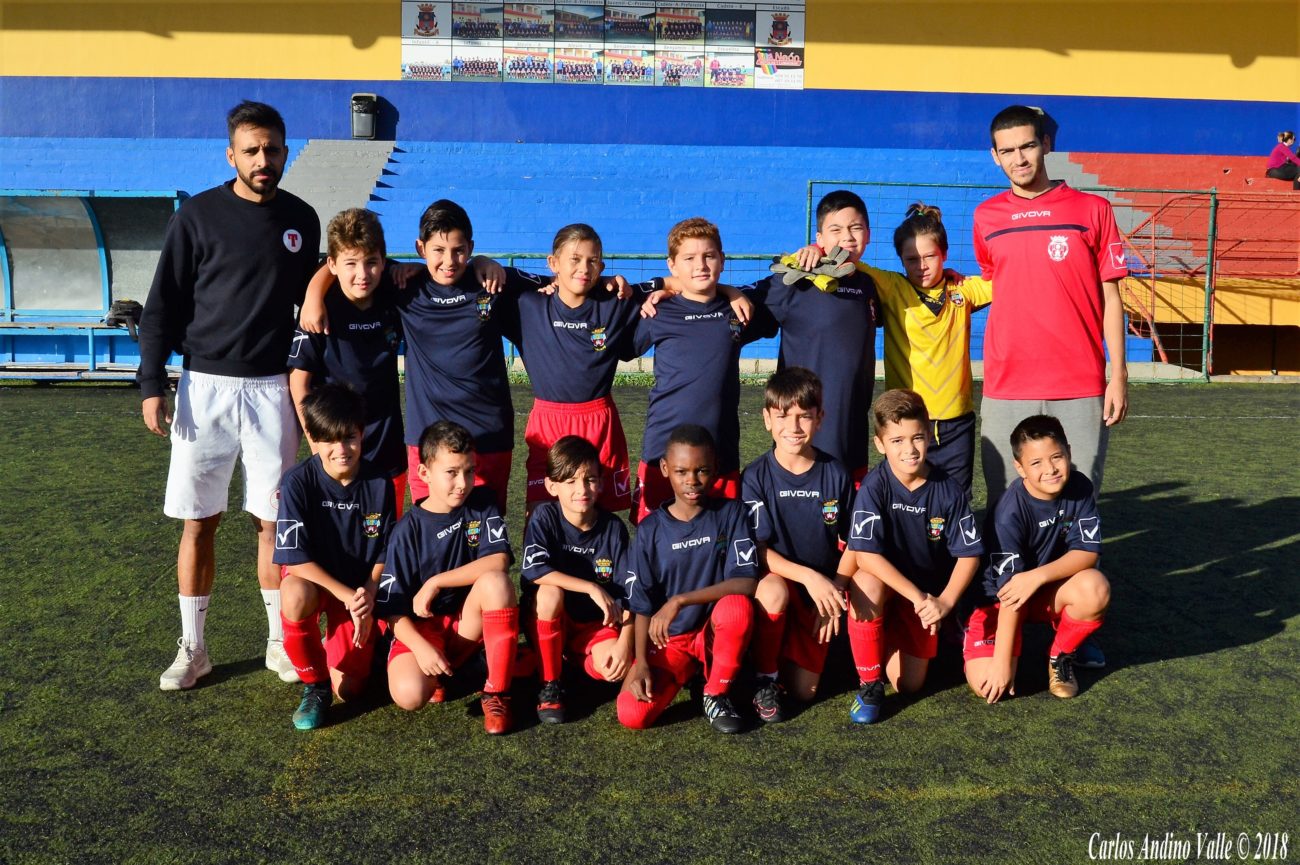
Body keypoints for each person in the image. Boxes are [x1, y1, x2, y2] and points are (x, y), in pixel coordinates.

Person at [139, 100, 321, 691]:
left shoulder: (301, 218)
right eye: (252, 150)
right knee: (199, 522)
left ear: (285, 152)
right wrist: (151, 383)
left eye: (272, 149)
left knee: (274, 522)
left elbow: (318, 288)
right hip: (205, 387)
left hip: (273, 390)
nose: (263, 159)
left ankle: (278, 643)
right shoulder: (197, 215)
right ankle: (193, 649)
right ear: (231, 155)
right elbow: (162, 304)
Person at [976, 105, 1125, 670]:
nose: (1019, 158)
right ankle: (1000, 623)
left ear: (1044, 145)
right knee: (1004, 509)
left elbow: (1112, 296)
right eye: (1007, 150)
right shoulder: (986, 216)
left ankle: (1072, 627)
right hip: (1007, 384)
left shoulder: (1092, 209)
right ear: (995, 156)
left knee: (1074, 503)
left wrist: (1117, 372)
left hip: (1080, 383)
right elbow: (995, 284)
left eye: (1027, 146)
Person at [299, 200, 510, 511]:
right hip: (384, 442)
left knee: (477, 529)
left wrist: (481, 260)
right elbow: (343, 261)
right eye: (438, 250)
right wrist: (313, 294)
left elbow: (375, 261)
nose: (362, 273)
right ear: (421, 248)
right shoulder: (345, 301)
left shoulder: (398, 284)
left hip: (416, 443)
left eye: (458, 250)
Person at [844, 389, 984, 723]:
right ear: (880, 444)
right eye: (897, 440)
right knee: (865, 582)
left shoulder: (948, 490)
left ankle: (892, 632)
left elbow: (969, 556)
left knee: (909, 684)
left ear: (929, 436)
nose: (909, 449)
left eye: (917, 437)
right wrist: (917, 597)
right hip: (900, 590)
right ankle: (869, 684)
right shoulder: (875, 487)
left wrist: (944, 602)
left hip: (924, 597)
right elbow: (865, 555)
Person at [627, 217, 775, 523]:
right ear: (672, 265)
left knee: (721, 534)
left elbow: (779, 297)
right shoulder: (656, 312)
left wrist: (731, 292)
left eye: (709, 256)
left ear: (722, 260)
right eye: (689, 258)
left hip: (719, 451)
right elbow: (623, 341)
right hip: (662, 450)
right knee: (656, 534)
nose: (701, 265)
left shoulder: (738, 311)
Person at [376, 420, 521, 734]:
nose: (462, 483)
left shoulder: (482, 503)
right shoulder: (406, 531)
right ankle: (463, 669)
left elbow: (498, 561)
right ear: (424, 472)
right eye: (451, 472)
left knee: (496, 583)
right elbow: (391, 610)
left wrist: (436, 581)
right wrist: (421, 648)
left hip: (466, 623)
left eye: (469, 471)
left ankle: (497, 692)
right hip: (423, 628)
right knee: (409, 694)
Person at [618, 425, 759, 733]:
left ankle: (716, 693)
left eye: (702, 471)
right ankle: (692, 673)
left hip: (712, 632)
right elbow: (641, 602)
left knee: (737, 608)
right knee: (632, 715)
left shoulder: (731, 513)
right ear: (665, 468)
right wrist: (641, 662)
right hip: (672, 640)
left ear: (715, 468)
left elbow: (746, 582)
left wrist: (679, 600)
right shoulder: (650, 530)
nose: (692, 481)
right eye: (681, 471)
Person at [272, 385, 396, 730]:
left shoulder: (379, 482)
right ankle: (316, 686)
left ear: (362, 434)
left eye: (349, 438)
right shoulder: (297, 482)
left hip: (357, 588)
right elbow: (294, 559)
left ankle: (364, 647)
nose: (341, 450)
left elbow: (386, 550)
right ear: (313, 438)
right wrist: (348, 597)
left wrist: (368, 592)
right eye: (329, 440)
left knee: (352, 690)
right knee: (293, 593)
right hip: (317, 584)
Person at [962, 415, 1110, 703]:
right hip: (999, 601)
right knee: (989, 686)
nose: (1050, 469)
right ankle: (970, 633)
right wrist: (1001, 663)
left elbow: (1088, 552)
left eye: (1057, 457)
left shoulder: (1080, 487)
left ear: (1069, 452)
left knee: (1095, 587)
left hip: (1040, 589)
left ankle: (1060, 656)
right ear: (1020, 468)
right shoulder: (1007, 514)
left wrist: (1036, 577)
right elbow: (1010, 594)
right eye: (1036, 463)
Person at [851, 203, 993, 496]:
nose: (922, 266)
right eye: (912, 259)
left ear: (944, 254)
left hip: (956, 423)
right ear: (901, 260)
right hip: (906, 420)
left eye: (930, 256)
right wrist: (816, 248)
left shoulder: (963, 289)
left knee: (955, 499)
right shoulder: (893, 287)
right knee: (906, 498)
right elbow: (850, 262)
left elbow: (1011, 278)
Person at [497, 224, 639, 515]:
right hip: (548, 423)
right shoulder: (529, 305)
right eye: (574, 259)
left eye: (592, 260)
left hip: (599, 421)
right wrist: (483, 263)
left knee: (599, 515)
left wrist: (726, 291)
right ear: (553, 263)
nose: (584, 268)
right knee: (540, 514)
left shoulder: (615, 304)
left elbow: (671, 285)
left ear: (601, 266)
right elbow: (496, 276)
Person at [740, 368, 855, 722]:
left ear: (819, 418)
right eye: (782, 416)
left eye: (804, 416)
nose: (793, 426)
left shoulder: (836, 473)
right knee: (772, 590)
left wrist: (836, 587)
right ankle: (765, 677)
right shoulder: (755, 477)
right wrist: (809, 577)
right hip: (781, 584)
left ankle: (780, 653)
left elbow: (856, 542)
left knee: (805, 691)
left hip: (819, 593)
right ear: (767, 420)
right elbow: (758, 549)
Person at [753, 190, 881, 479]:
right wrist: (670, 286)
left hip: (851, 436)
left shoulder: (870, 285)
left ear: (868, 234)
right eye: (836, 230)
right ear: (820, 238)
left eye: (855, 228)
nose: (847, 237)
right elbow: (739, 304)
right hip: (802, 437)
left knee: (847, 500)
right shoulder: (797, 280)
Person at [288, 208, 407, 514]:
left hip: (388, 450)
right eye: (351, 264)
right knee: (336, 535)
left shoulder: (393, 294)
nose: (362, 274)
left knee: (385, 535)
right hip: (336, 450)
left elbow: (430, 269)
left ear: (383, 261)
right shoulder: (319, 312)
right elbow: (299, 381)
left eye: (371, 263)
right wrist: (317, 442)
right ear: (332, 264)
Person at [521, 436, 634, 724]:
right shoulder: (544, 516)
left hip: (595, 626)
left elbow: (631, 593)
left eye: (589, 479)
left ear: (601, 482)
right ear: (552, 486)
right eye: (570, 481)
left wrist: (625, 642)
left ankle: (572, 662)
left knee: (613, 668)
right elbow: (534, 569)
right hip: (553, 617)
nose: (581, 490)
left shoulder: (613, 528)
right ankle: (550, 683)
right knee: (550, 593)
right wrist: (590, 587)